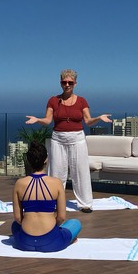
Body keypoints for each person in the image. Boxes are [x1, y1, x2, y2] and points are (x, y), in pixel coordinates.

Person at [25, 69, 111, 213]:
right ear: (60, 83)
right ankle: (52, 202)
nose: (67, 85)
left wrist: (99, 118)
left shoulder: (82, 101)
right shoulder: (53, 100)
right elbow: (48, 120)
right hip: (58, 139)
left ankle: (85, 204)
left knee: (80, 170)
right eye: (64, 82)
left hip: (77, 139)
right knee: (56, 171)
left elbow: (88, 121)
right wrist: (37, 120)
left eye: (70, 82)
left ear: (75, 84)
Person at [11, 141, 82, 253]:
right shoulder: (56, 183)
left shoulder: (20, 184)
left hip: (25, 242)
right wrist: (53, 228)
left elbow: (18, 218)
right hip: (51, 242)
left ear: (29, 161)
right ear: (46, 160)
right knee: (75, 223)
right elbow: (61, 217)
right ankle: (68, 239)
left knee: (15, 225)